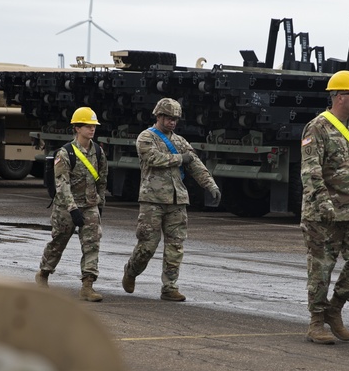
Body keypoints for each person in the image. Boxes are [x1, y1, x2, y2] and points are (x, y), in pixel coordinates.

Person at [122, 98, 220, 302]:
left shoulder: (180, 141)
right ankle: (131, 271)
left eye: (175, 119)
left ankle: (170, 286)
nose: (172, 122)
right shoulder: (146, 137)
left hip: (177, 201)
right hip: (152, 200)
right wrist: (179, 159)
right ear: (158, 116)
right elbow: (153, 159)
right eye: (168, 118)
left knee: (175, 246)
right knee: (147, 245)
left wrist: (210, 184)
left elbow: (196, 165)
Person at [299, 70, 349, 344]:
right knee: (321, 267)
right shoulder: (316, 127)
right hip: (322, 213)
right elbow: (310, 170)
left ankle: (335, 308)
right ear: (340, 97)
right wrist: (322, 202)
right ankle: (316, 322)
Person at [35, 106, 108, 302]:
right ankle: (43, 274)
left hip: (90, 204)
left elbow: (102, 180)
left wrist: (100, 203)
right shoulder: (65, 153)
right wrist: (73, 209)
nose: (91, 129)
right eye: (87, 125)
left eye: (93, 125)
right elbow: (62, 184)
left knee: (92, 244)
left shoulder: (99, 152)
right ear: (77, 128)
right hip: (66, 208)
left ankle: (87, 285)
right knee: (58, 242)